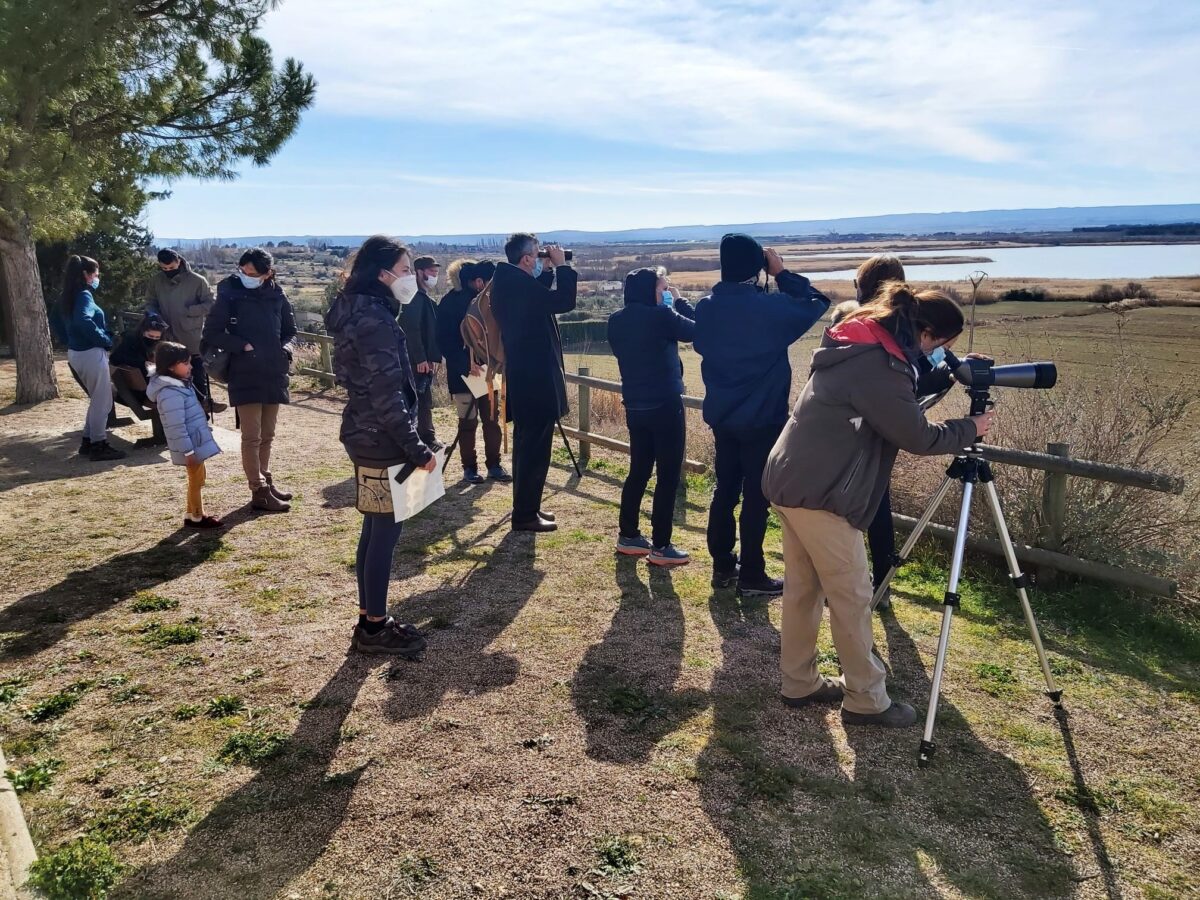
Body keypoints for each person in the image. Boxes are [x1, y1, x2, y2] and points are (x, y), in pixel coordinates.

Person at [762, 282, 991, 727]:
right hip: (822, 493)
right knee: (851, 596)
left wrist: (944, 375)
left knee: (804, 590)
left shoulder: (860, 341)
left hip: (792, 477)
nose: (940, 353)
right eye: (942, 345)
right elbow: (917, 435)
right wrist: (971, 427)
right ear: (925, 333)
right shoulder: (880, 367)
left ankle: (799, 683)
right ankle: (865, 699)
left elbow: (895, 402)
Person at [693, 233, 829, 595]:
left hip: (723, 417)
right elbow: (816, 302)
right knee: (756, 496)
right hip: (763, 419)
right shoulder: (769, 308)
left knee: (725, 490)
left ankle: (723, 566)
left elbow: (701, 343)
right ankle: (752, 573)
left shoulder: (706, 308)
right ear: (758, 269)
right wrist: (781, 273)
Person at [324, 235, 434, 656]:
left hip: (364, 432)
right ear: (383, 274)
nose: (410, 278)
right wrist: (418, 449)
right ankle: (374, 626)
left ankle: (371, 616)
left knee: (375, 526)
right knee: (384, 530)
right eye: (406, 271)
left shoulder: (358, 311)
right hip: (381, 438)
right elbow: (387, 396)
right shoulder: (375, 321)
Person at [607, 267, 695, 566]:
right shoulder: (661, 316)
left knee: (639, 470)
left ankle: (628, 535)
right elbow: (695, 331)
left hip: (635, 405)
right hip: (665, 405)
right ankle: (661, 546)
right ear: (651, 291)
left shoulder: (616, 320)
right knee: (668, 476)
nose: (665, 293)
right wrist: (679, 304)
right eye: (662, 289)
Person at [490, 232, 577, 533]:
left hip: (528, 377)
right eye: (538, 254)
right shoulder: (515, 285)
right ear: (527, 259)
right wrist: (563, 267)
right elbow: (563, 301)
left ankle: (529, 508)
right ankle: (525, 514)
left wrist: (550, 269)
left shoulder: (511, 281)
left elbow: (537, 298)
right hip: (534, 380)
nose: (542, 257)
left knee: (532, 448)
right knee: (533, 451)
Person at [201, 247, 297, 513]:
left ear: (267, 274)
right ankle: (257, 490)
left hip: (274, 371)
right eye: (242, 271)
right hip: (244, 372)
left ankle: (265, 479)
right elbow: (211, 332)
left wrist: (286, 350)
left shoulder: (278, 293)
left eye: (252, 273)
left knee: (268, 434)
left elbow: (291, 331)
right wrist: (242, 345)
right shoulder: (229, 293)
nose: (245, 276)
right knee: (251, 436)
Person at [437, 258, 510, 484]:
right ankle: (469, 467)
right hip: (464, 371)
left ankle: (494, 464)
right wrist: (465, 364)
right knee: (467, 421)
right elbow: (444, 341)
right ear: (478, 281)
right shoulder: (449, 303)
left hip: (486, 369)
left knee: (491, 419)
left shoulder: (488, 301)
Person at [147, 342, 224, 529]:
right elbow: (176, 426)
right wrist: (188, 451)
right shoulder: (170, 393)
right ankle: (197, 516)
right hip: (190, 445)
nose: (190, 366)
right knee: (196, 481)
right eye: (185, 363)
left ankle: (191, 514)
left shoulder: (180, 385)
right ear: (171, 366)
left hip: (194, 441)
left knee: (198, 478)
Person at [61, 254, 126, 461]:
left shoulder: (68, 295)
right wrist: (104, 339)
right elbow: (84, 320)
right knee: (103, 401)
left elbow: (60, 321)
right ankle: (99, 444)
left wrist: (71, 338)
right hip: (90, 353)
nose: (97, 277)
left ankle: (88, 441)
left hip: (76, 352)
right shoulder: (84, 296)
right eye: (96, 273)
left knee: (97, 399)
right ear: (86, 275)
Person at [146, 249, 221, 412]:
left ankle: (202, 412)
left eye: (171, 267)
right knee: (169, 377)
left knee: (196, 377)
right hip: (167, 338)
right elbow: (150, 302)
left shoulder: (197, 280)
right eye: (163, 269)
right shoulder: (156, 281)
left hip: (191, 338)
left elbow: (211, 304)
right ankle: (178, 411)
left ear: (178, 262)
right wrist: (154, 315)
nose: (168, 272)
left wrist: (190, 310)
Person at [398, 254, 441, 446]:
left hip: (423, 359)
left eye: (436, 271)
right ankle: (423, 439)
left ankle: (427, 437)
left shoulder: (421, 297)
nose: (434, 275)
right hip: (416, 361)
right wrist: (421, 358)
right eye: (431, 271)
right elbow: (412, 330)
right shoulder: (414, 298)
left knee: (424, 399)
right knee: (420, 401)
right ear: (420, 272)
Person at [109, 312, 169, 446]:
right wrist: (143, 363)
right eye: (150, 336)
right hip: (142, 393)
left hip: (130, 390)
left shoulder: (132, 341)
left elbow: (114, 359)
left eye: (157, 337)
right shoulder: (132, 344)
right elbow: (117, 358)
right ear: (143, 332)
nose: (153, 339)